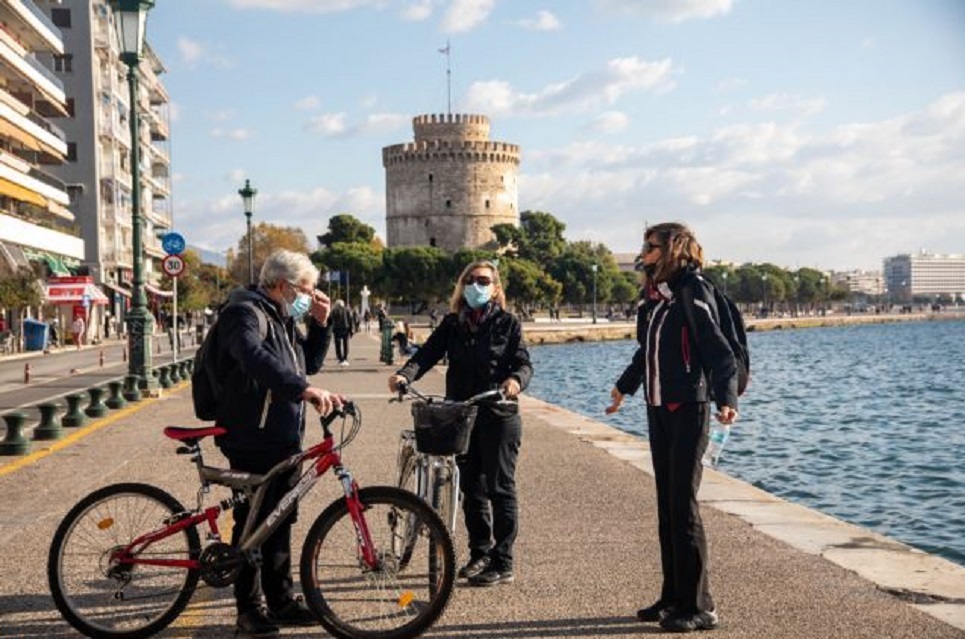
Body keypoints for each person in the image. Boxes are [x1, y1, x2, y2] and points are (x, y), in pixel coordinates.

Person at [605, 222, 738, 633]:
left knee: (683, 506)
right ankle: (673, 596)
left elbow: (720, 352)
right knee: (667, 506)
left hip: (689, 407)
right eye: (643, 246)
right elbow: (646, 351)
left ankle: (701, 606)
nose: (643, 252)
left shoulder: (693, 291)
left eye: (650, 246)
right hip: (658, 408)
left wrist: (726, 398)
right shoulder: (655, 299)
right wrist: (623, 388)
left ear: (672, 249)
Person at [211, 249, 344, 638]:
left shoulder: (283, 318)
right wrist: (302, 389)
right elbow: (253, 358)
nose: (312, 296)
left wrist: (320, 326)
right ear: (284, 286)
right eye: (308, 289)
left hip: (283, 434)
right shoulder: (244, 313)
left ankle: (282, 600)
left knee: (281, 517)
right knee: (253, 523)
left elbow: (307, 366)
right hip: (251, 433)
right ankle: (249, 610)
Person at [388, 259, 533, 587]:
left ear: (495, 288)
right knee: (471, 488)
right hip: (462, 416)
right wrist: (404, 375)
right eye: (470, 280)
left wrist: (514, 382)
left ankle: (503, 560)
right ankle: (480, 551)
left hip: (498, 415)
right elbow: (426, 355)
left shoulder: (507, 323)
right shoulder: (453, 323)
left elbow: (524, 363)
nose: (476, 286)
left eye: (483, 280)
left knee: (500, 488)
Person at [329, 299, 353, 366]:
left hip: (337, 329)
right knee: (346, 344)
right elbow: (350, 320)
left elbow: (330, 320)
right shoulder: (347, 310)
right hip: (346, 329)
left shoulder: (334, 311)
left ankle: (340, 358)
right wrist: (351, 330)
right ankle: (345, 358)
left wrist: (330, 330)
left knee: (338, 345)